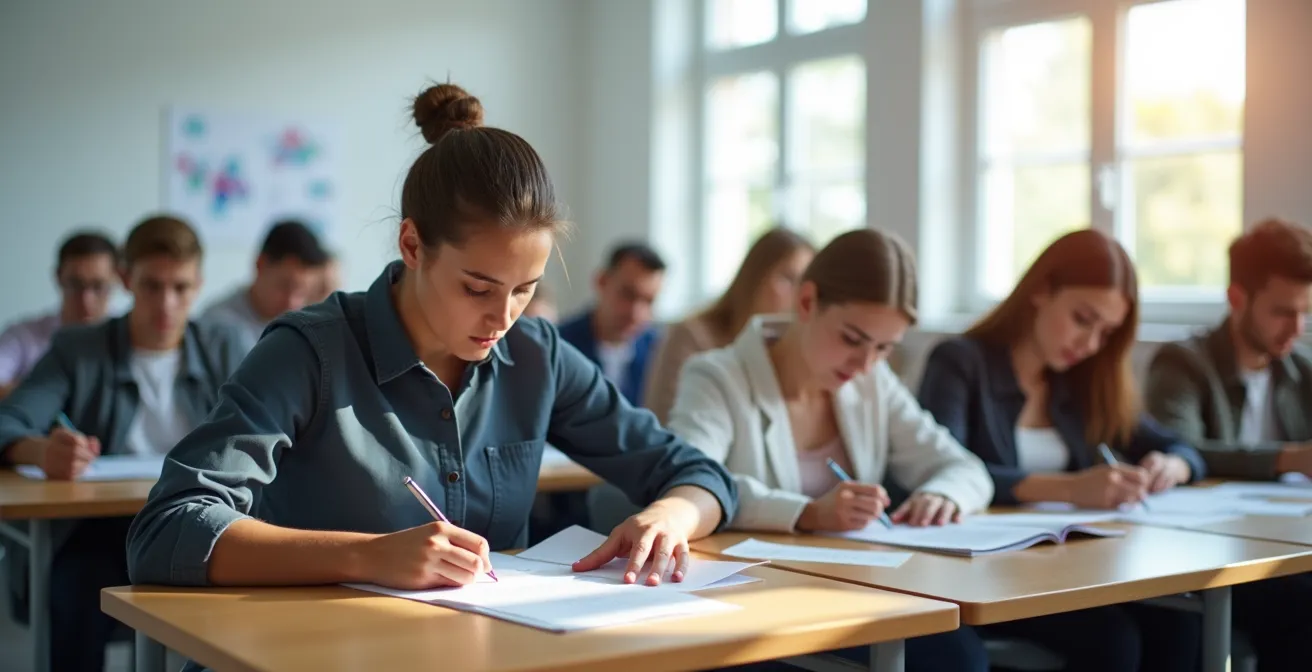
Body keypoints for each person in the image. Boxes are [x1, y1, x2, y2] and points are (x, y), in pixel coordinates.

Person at [126, 83, 735, 614]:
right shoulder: (309, 351)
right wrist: (368, 556)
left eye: (525, 290)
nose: (503, 317)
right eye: (478, 287)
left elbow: (698, 474)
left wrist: (671, 517)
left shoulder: (536, 353)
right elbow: (166, 528)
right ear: (412, 246)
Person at [667, 228, 994, 672]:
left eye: (884, 348)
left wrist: (945, 494)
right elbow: (691, 480)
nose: (865, 363)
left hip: (857, 589)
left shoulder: (872, 380)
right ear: (807, 303)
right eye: (853, 339)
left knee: (959, 656)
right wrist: (807, 513)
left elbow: (963, 468)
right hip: (750, 600)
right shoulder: (717, 377)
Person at [917, 229, 1204, 672]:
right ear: (1041, 291)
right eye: (1082, 319)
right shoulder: (959, 362)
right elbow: (943, 470)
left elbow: (1178, 445)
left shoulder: (1084, 378)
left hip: (1070, 573)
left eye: (1105, 332)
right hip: (984, 577)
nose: (1090, 344)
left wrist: (1173, 464)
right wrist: (1071, 488)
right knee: (1112, 640)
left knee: (1181, 624)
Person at [0, 215, 244, 672]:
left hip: (204, 521)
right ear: (127, 279)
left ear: (199, 284)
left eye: (181, 288)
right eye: (152, 286)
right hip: (101, 529)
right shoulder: (80, 348)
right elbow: (8, 419)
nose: (167, 303)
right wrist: (40, 451)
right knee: (74, 588)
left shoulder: (225, 344)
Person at [1145, 217, 1312, 672]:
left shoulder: (1300, 372)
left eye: (1305, 312)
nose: (1295, 327)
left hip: (1286, 546)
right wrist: (1290, 457)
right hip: (1204, 554)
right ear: (1237, 298)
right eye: (1282, 311)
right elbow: (1184, 447)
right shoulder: (1182, 362)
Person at [643, 226, 814, 423]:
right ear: (755, 276)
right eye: (788, 278)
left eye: (804, 285)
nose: (798, 296)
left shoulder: (792, 355)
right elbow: (666, 424)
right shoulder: (692, 336)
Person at [0, 231, 118, 398]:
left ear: (118, 279)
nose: (86, 300)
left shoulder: (132, 338)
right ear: (58, 277)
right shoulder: (22, 337)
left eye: (98, 286)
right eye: (75, 284)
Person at [557, 242, 665, 405]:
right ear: (601, 281)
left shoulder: (660, 352)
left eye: (649, 301)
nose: (636, 313)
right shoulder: (559, 345)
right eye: (628, 294)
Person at [200, 219, 330, 354]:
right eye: (285, 286)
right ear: (260, 265)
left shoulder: (305, 330)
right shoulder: (216, 326)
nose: (292, 302)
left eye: (302, 291)